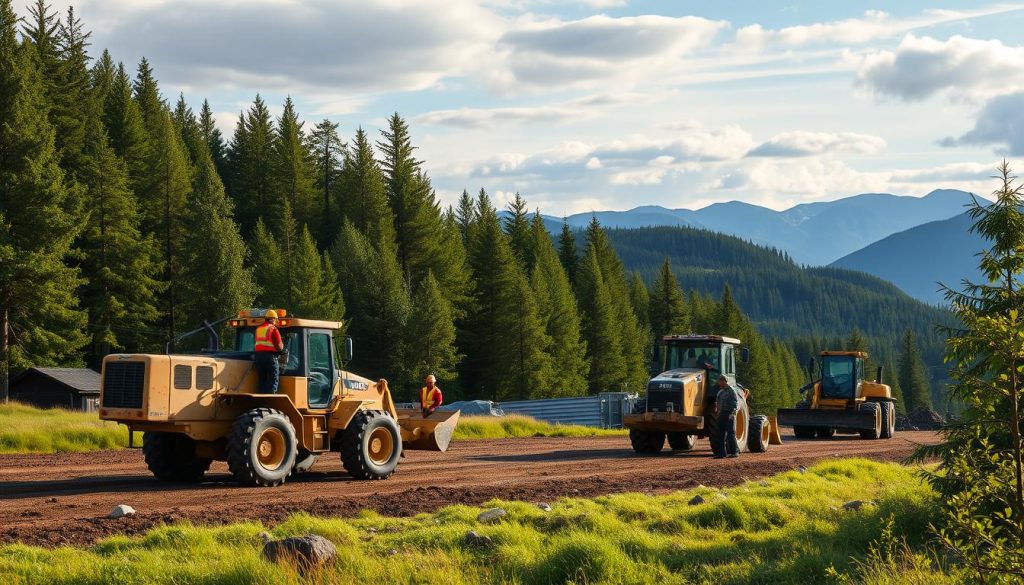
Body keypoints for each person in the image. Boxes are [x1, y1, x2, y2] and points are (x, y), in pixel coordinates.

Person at [254, 310, 285, 394]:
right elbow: (279, 346)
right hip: (270, 357)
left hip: (258, 357)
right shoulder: (273, 329)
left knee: (262, 379)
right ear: (272, 319)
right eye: (276, 319)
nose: (276, 321)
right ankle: (271, 398)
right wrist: (282, 349)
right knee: (273, 378)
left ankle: (262, 397)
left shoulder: (258, 329)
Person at [714, 374, 742, 459]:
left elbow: (735, 404)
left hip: (729, 414)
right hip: (721, 415)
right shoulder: (720, 392)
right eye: (719, 381)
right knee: (720, 434)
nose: (720, 382)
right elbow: (717, 404)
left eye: (721, 381)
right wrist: (717, 412)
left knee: (730, 434)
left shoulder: (731, 391)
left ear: (725, 381)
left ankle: (735, 452)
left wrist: (732, 415)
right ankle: (722, 453)